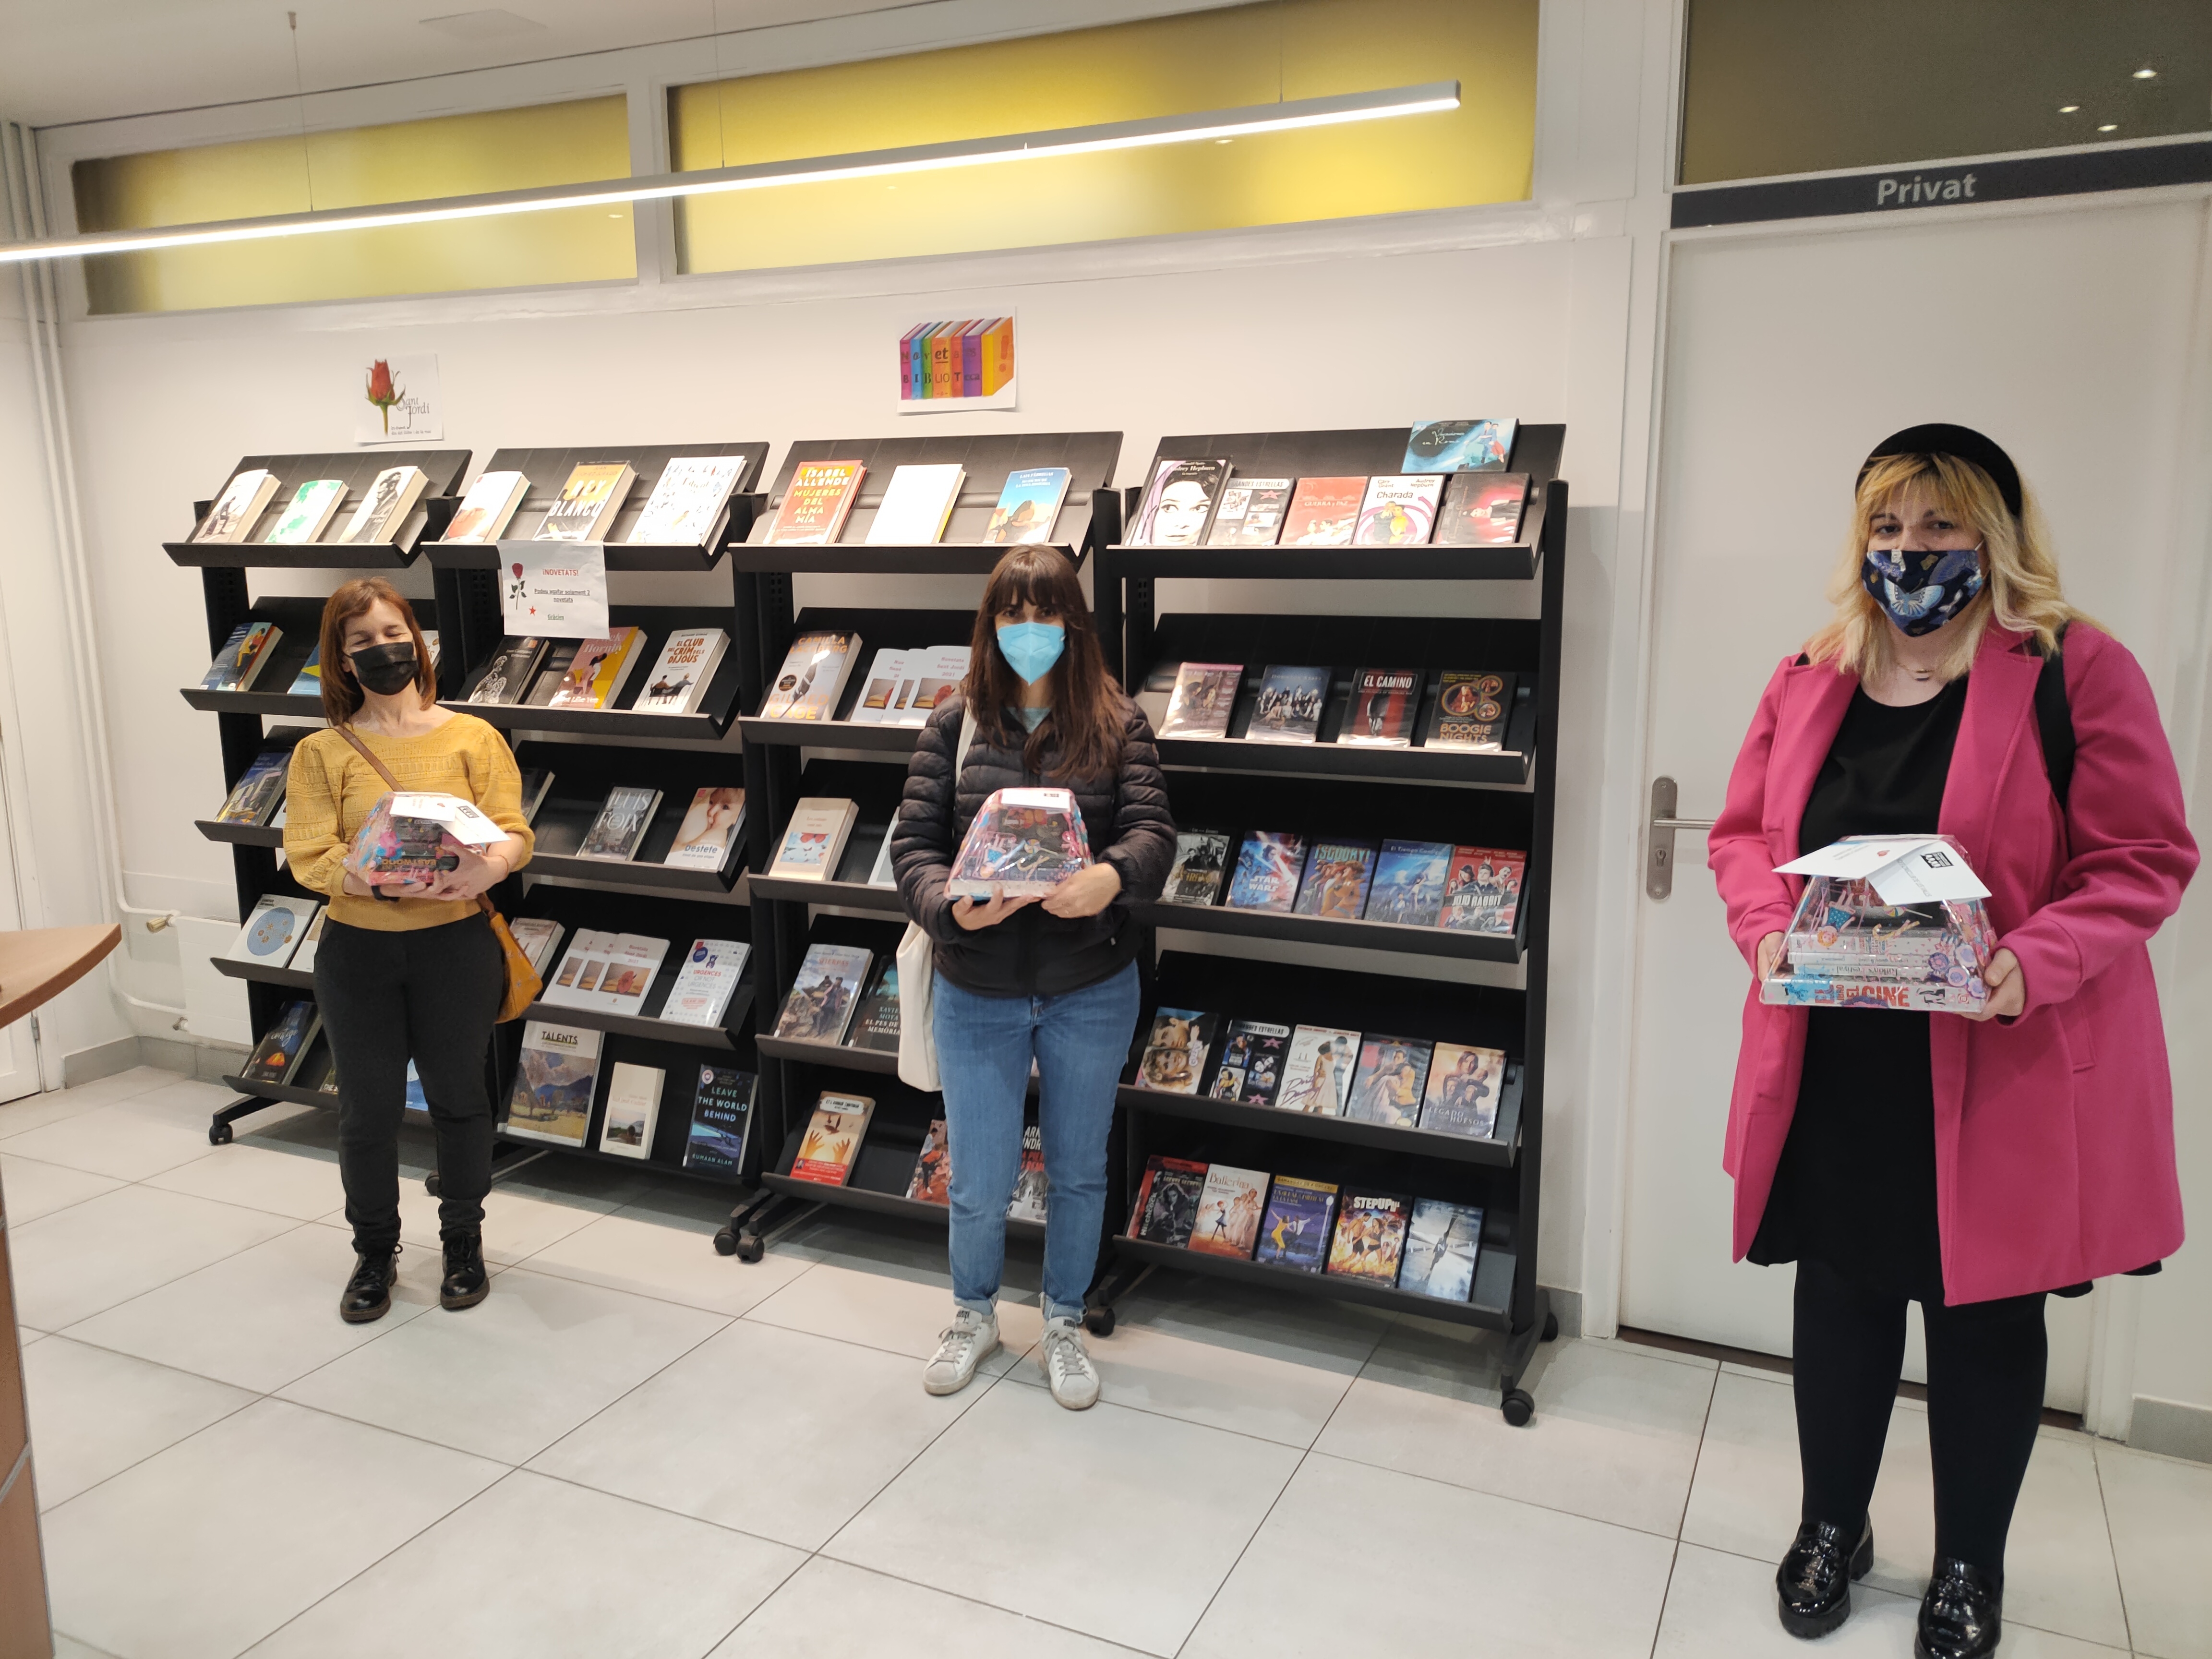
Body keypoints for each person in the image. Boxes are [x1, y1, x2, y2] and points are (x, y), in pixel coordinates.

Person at [1708, 426, 2196, 1659]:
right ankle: (1833, 1525)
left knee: (1985, 1322)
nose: (1909, 549)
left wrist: (2031, 962)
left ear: (1997, 534)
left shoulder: (2075, 670)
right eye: (1886, 526)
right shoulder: (1811, 672)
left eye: (1938, 524)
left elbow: (2144, 858)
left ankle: (1971, 1561)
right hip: (1838, 1060)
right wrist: (1764, 931)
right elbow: (1744, 837)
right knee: (1843, 1298)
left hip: (1998, 1061)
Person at [891, 545, 1174, 1409]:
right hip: (978, 988)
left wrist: (1111, 878)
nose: (1028, 629)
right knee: (978, 1176)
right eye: (1010, 613)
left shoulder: (1119, 722)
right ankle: (972, 1315)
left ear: (1073, 622)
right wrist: (950, 910)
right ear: (990, 625)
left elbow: (1153, 833)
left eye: (1045, 611)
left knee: (1078, 1169)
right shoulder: (956, 724)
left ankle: (1063, 1321)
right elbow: (913, 847)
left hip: (1091, 985)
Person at [284, 578, 533, 1325]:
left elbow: (512, 828)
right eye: (362, 642)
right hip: (358, 954)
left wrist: (492, 867)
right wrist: (361, 874)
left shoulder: (473, 737)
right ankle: (374, 1251)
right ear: (342, 660)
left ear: (417, 641)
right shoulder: (321, 751)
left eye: (393, 634)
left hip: (455, 948)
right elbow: (308, 853)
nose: (383, 650)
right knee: (367, 1111)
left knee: (461, 1101)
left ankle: (463, 1242)